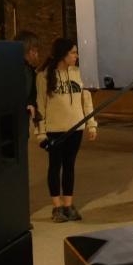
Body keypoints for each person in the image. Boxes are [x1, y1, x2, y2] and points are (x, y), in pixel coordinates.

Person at [36, 38, 97, 223]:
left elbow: (87, 101)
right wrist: (41, 133)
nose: (76, 56)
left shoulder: (79, 73)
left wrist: (91, 124)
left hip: (76, 128)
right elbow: (40, 105)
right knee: (55, 166)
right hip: (54, 130)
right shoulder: (44, 76)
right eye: (73, 52)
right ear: (63, 54)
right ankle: (57, 207)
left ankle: (68, 205)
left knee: (70, 166)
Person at [13, 30, 40, 125]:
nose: (37, 54)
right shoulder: (26, 70)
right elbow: (26, 93)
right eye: (35, 50)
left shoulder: (10, 66)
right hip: (20, 119)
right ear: (30, 51)